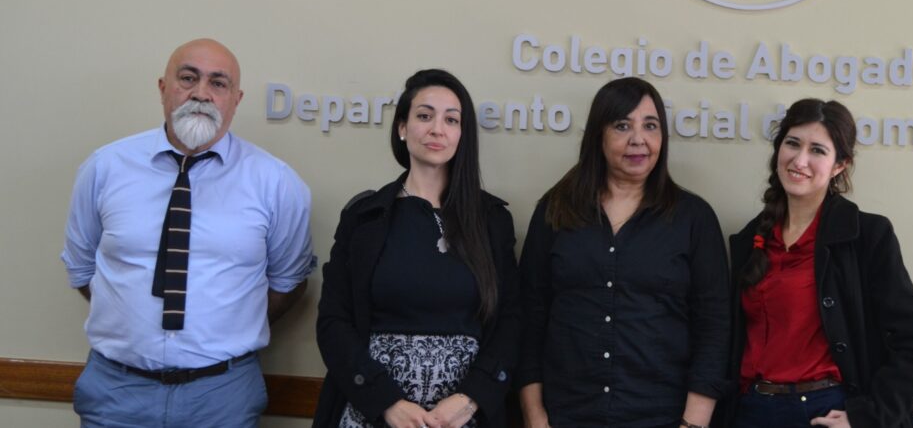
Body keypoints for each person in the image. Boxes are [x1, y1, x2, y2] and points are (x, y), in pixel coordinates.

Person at [61, 38, 316, 427]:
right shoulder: (104, 168)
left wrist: (224, 332)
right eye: (187, 78)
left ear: (236, 98)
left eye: (218, 83)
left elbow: (288, 283)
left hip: (222, 396)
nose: (201, 93)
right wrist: (133, 326)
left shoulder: (276, 183)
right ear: (163, 88)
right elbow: (82, 270)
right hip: (116, 391)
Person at [518, 77, 730, 428]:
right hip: (567, 413)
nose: (638, 139)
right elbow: (529, 315)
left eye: (650, 126)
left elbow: (715, 326)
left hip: (662, 416)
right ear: (598, 136)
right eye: (622, 125)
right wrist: (534, 416)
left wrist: (693, 423)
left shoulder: (693, 218)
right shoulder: (555, 210)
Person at [314, 69, 519, 428]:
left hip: (462, 416)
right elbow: (333, 321)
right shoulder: (364, 217)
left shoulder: (492, 220)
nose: (437, 129)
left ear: (462, 133)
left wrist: (470, 400)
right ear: (402, 128)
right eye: (424, 116)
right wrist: (386, 403)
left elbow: (514, 321)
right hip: (375, 410)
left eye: (451, 120)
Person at [729, 98, 913, 428]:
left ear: (840, 164)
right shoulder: (747, 241)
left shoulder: (868, 236)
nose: (800, 160)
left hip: (826, 411)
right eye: (792, 144)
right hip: (754, 410)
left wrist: (865, 417)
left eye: (818, 150)